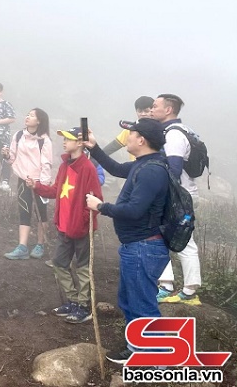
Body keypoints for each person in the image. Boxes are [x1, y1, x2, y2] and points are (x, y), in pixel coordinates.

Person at [84, 118, 170, 365]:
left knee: (142, 304)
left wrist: (101, 206)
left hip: (145, 246)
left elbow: (134, 210)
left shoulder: (152, 171)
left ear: (141, 140)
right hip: (137, 246)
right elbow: (115, 168)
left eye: (129, 134)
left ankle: (157, 360)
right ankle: (137, 348)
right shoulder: (144, 163)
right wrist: (94, 147)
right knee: (129, 299)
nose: (126, 138)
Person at [30, 127, 102, 324]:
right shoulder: (64, 165)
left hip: (81, 229)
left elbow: (96, 200)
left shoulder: (87, 168)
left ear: (79, 143)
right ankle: (72, 301)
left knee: (82, 267)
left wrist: (82, 221)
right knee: (59, 263)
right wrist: (37, 187)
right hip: (64, 227)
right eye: (63, 138)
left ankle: (84, 307)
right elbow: (56, 190)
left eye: (68, 139)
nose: (64, 142)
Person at [150, 93, 202, 306]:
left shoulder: (172, 135)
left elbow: (174, 169)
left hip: (178, 196)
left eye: (155, 106)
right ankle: (177, 286)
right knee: (170, 237)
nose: (152, 109)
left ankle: (177, 288)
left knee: (179, 239)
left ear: (168, 109)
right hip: (183, 194)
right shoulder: (184, 130)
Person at [1, 108, 52, 260]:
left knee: (40, 214)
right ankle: (22, 247)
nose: (27, 117)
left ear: (39, 121)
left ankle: (40, 244)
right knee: (24, 211)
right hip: (23, 180)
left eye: (31, 115)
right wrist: (6, 155)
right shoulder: (18, 135)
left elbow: (46, 164)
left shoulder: (44, 140)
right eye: (27, 114)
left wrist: (42, 186)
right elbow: (12, 158)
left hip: (39, 183)